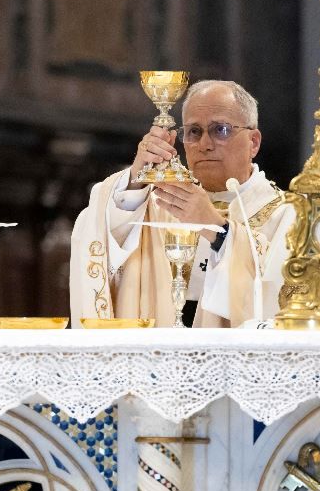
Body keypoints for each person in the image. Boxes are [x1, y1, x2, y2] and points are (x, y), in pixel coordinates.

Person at [70, 80, 295, 327]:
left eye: (221, 130)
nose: (205, 144)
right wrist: (136, 180)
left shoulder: (287, 215)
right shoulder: (161, 202)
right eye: (194, 132)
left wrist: (218, 230)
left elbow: (281, 300)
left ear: (253, 142)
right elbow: (99, 231)